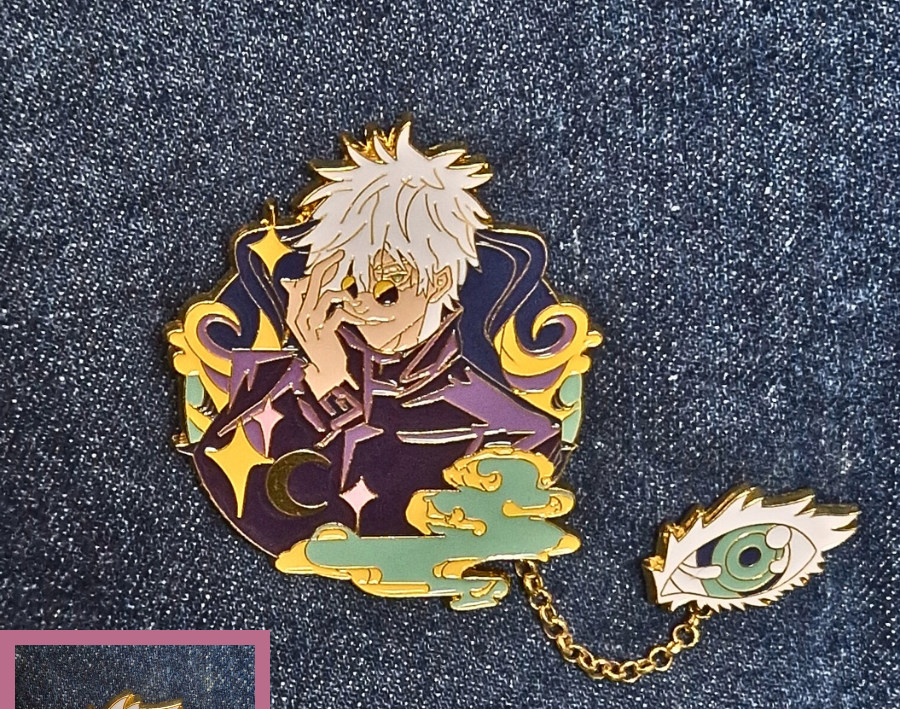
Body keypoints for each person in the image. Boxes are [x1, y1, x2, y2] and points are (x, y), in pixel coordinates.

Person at [171, 121, 595, 559]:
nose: (361, 306)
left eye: (387, 290)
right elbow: (241, 495)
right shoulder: (272, 381)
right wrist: (322, 381)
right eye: (347, 285)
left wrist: (334, 392)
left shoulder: (511, 426)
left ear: (438, 281)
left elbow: (416, 537)